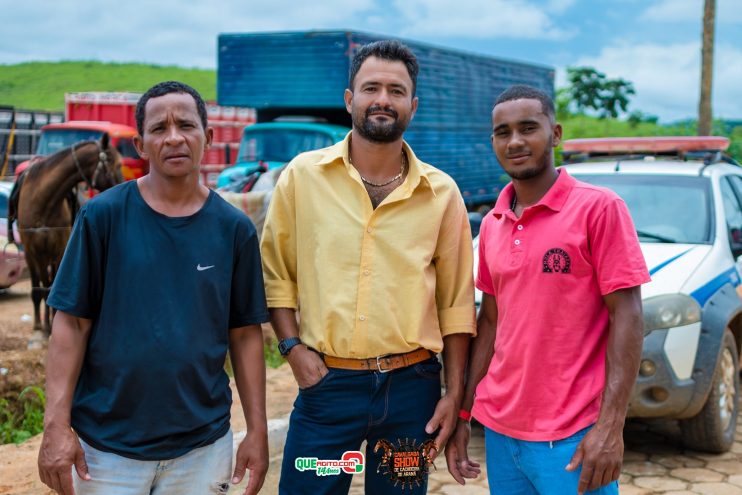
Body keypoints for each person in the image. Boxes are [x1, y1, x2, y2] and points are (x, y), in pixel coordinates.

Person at [261, 40, 475, 494]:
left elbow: (456, 304)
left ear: (412, 106)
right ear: (349, 99)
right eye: (371, 87)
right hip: (327, 389)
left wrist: (453, 394)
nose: (382, 99)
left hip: (412, 392)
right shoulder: (303, 177)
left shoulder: (442, 193)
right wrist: (292, 349)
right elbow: (275, 274)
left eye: (396, 90)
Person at [37, 81, 270, 495]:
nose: (174, 137)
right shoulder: (101, 218)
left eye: (186, 125)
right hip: (105, 455)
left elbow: (245, 333)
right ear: (141, 145)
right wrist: (55, 426)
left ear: (209, 138)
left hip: (203, 450)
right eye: (159, 128)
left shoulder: (233, 230)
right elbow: (70, 324)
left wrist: (256, 430)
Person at [445, 84, 650, 495]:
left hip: (572, 437)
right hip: (502, 434)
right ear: (493, 142)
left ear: (555, 134)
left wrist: (611, 426)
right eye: (503, 132)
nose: (515, 141)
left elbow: (627, 316)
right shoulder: (493, 224)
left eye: (528, 128)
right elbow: (491, 323)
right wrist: (465, 413)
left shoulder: (599, 208)